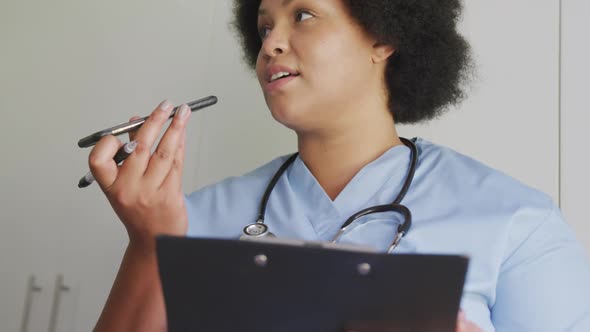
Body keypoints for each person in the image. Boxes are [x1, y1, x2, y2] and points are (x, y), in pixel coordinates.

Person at [90, 0, 590, 331]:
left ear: (383, 35)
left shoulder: (515, 221)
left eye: (302, 14)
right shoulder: (182, 219)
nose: (270, 45)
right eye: (264, 26)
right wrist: (148, 244)